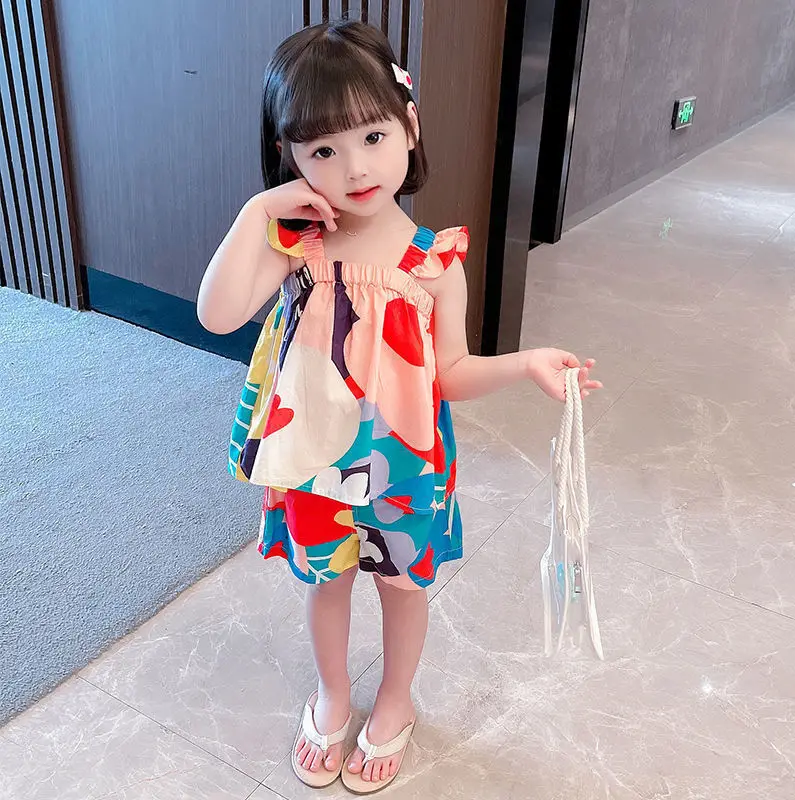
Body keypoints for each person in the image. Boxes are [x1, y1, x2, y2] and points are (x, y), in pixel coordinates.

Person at [197, 18, 601, 795]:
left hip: (404, 465)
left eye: (373, 136)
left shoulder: (434, 262)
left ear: (409, 127)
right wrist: (257, 213)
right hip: (315, 459)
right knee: (326, 581)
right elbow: (217, 315)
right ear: (289, 157)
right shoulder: (294, 240)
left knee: (401, 586)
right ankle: (332, 695)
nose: (354, 168)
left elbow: (450, 373)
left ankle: (395, 700)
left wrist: (524, 365)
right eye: (322, 150)